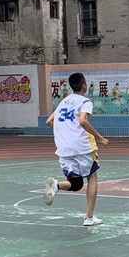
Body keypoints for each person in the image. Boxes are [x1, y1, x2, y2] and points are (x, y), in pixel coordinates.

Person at [44, 72, 109, 225]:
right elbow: (82, 120)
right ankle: (89, 218)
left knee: (76, 184)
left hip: (63, 148)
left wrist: (65, 133)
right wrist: (100, 138)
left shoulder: (64, 102)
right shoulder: (85, 101)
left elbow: (49, 121)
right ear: (84, 85)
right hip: (81, 147)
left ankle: (56, 185)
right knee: (92, 176)